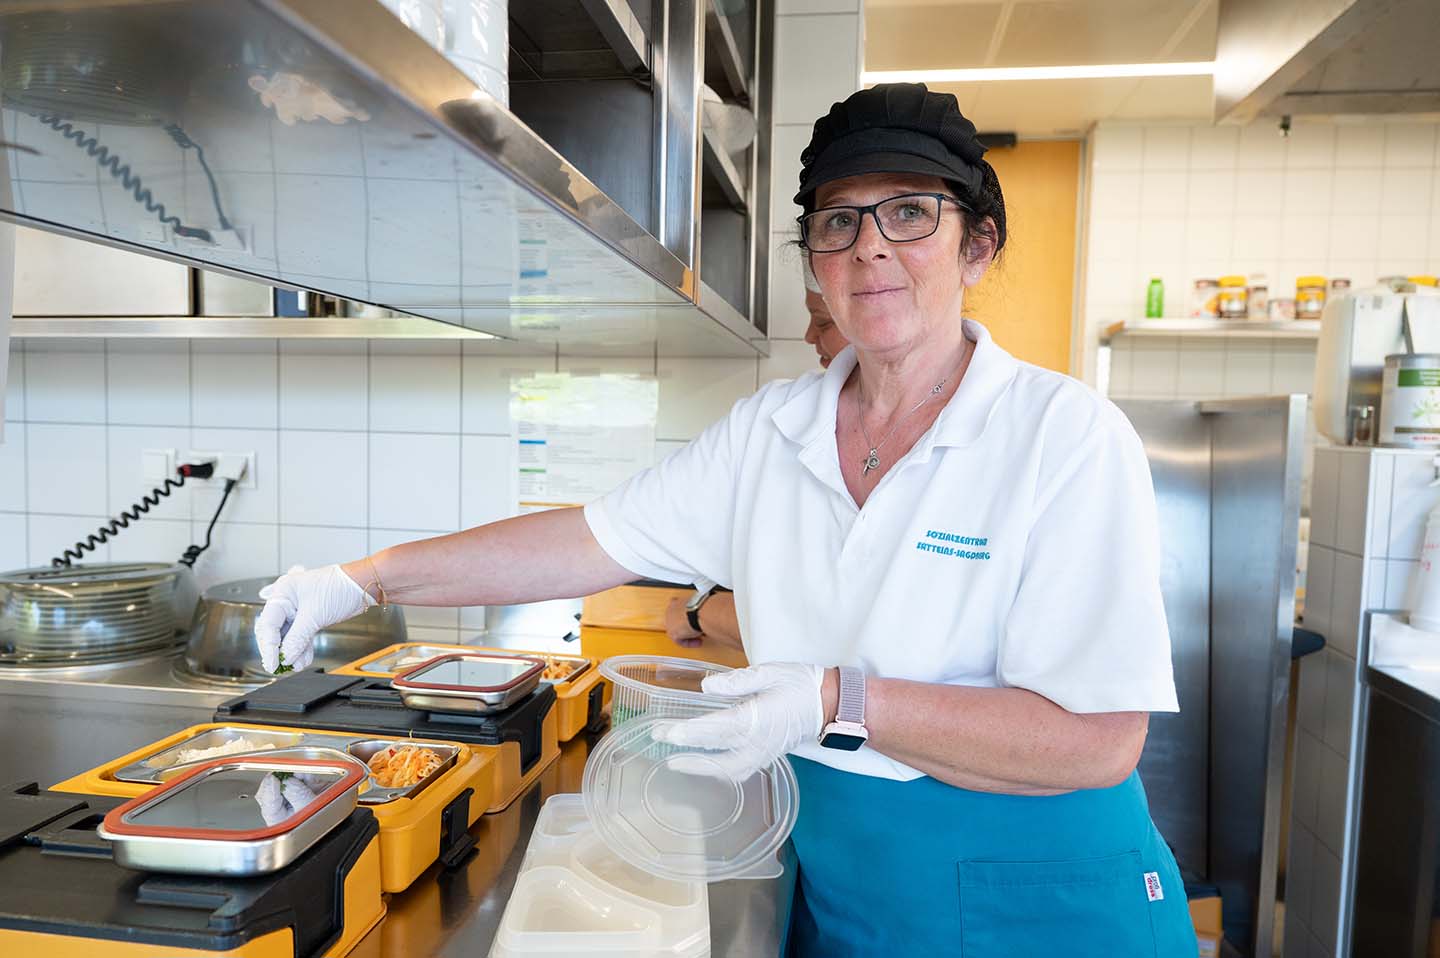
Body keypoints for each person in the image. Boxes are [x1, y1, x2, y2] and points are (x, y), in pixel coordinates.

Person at [254, 83, 1196, 955]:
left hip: (1044, 901)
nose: (869, 248)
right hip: (847, 893)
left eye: (910, 212)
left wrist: (837, 700)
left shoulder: (1063, 436)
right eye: (838, 221)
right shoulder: (771, 432)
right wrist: (366, 579)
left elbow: (1097, 739)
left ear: (977, 245)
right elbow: (583, 541)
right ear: (815, 261)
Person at [665, 268, 852, 652]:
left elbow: (806, 628)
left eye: (822, 322)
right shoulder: (776, 420)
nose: (808, 336)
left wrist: (695, 613)